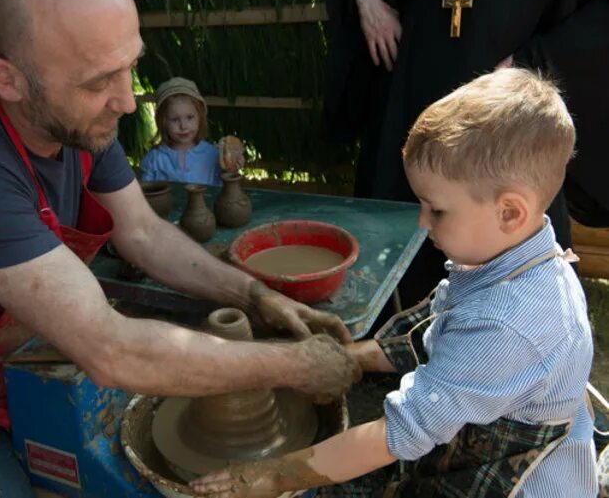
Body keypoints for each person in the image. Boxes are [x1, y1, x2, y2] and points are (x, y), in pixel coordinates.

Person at [0, 0, 360, 496]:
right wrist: (296, 366)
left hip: (39, 350)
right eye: (100, 81)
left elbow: (142, 232)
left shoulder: (77, 121)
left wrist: (254, 295)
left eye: (129, 67)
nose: (126, 100)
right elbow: (111, 349)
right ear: (8, 80)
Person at [191, 69, 598, 497]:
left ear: (509, 213)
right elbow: (435, 329)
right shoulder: (511, 257)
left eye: (436, 210)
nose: (423, 222)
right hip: (480, 429)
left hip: (518, 479)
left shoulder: (508, 326)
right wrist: (348, 358)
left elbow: (396, 436)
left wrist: (275, 475)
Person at [324, 0, 609, 306]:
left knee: (512, 268)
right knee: (401, 261)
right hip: (411, 84)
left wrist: (535, 61)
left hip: (506, 105)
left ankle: (504, 338)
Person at [141, 77, 230, 185]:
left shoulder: (213, 155)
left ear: (200, 117)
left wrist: (231, 168)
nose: (183, 126)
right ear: (163, 122)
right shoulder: (154, 159)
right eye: (175, 119)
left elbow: (226, 187)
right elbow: (146, 194)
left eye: (189, 117)